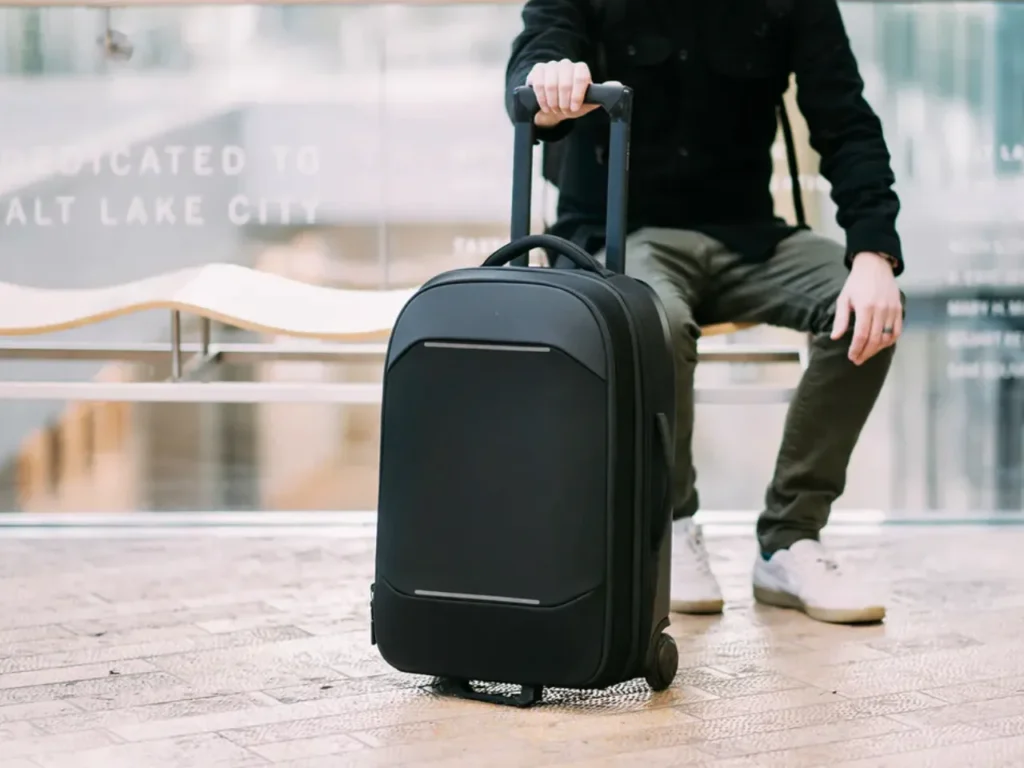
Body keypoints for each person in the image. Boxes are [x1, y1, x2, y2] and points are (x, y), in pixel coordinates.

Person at [505, 0, 904, 624]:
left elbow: (846, 123)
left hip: (750, 237)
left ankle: (790, 539)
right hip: (622, 233)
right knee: (652, 319)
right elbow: (533, 67)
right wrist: (549, 82)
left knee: (867, 313)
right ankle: (673, 525)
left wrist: (875, 253)